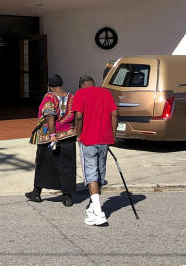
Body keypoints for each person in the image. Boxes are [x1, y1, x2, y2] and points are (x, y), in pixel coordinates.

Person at [25, 74, 77, 207]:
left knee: (43, 164)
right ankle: (67, 197)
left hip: (50, 138)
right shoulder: (72, 97)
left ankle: (36, 193)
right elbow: (78, 115)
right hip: (69, 135)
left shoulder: (49, 97)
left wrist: (53, 134)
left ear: (49, 85)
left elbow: (50, 116)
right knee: (67, 165)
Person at [72, 75, 117, 226]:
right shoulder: (105, 92)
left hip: (88, 139)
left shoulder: (80, 93)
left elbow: (79, 117)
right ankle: (92, 207)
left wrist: (78, 135)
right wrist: (113, 135)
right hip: (104, 139)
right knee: (99, 174)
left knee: (91, 175)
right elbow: (115, 114)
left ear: (81, 85)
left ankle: (99, 212)